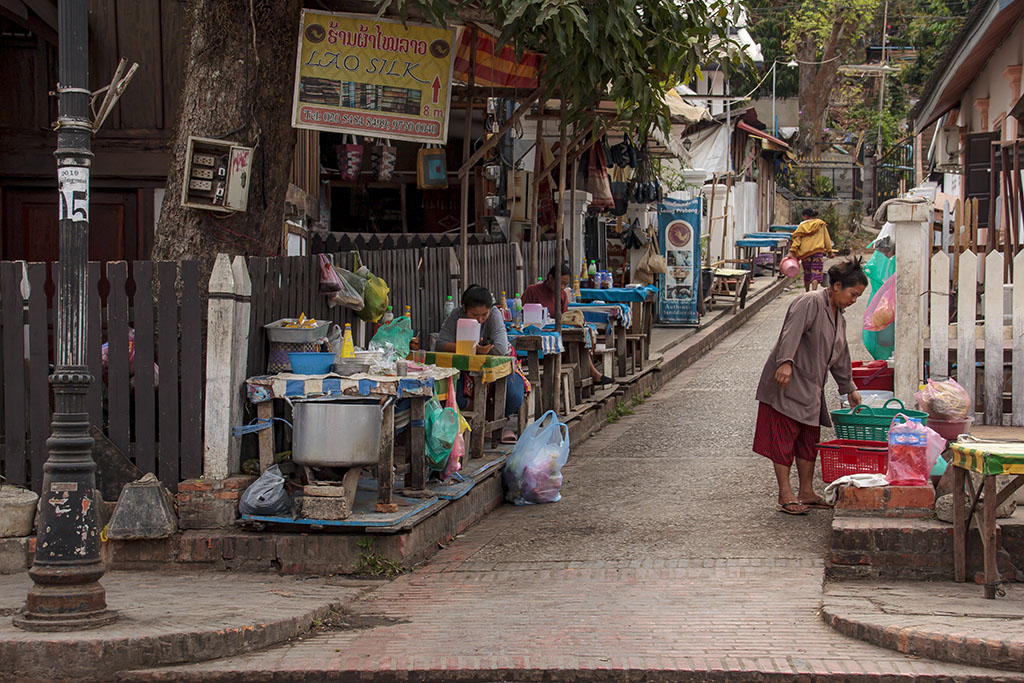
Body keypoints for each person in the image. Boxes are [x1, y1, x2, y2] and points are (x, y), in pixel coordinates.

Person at [753, 258, 867, 515]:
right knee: (783, 437)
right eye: (853, 294)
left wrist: (849, 387)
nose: (854, 300)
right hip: (789, 381)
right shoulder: (810, 302)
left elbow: (841, 354)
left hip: (812, 388)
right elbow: (790, 333)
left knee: (808, 438)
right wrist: (785, 362)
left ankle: (806, 490)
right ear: (836, 286)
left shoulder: (840, 316)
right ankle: (785, 494)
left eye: (858, 296)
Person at [437, 284, 526, 443]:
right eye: (474, 314)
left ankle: (495, 422)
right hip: (465, 369)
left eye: (484, 315)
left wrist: (469, 349)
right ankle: (479, 416)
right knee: (450, 394)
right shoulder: (456, 315)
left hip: (501, 369)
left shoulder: (494, 314)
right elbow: (440, 344)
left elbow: (499, 349)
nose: (480, 319)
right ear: (464, 308)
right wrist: (473, 349)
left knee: (512, 396)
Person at [522, 262, 613, 386]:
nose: (562, 287)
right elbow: (523, 312)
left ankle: (589, 375)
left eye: (565, 284)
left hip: (557, 330)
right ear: (550, 278)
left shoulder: (562, 295)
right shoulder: (532, 291)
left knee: (580, 340)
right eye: (561, 283)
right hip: (537, 331)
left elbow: (564, 317)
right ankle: (594, 374)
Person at [788, 208, 834, 292]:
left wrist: (792, 251)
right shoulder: (820, 224)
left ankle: (807, 292)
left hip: (806, 254)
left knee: (807, 272)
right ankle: (814, 291)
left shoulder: (802, 226)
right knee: (816, 272)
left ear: (805, 216)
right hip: (818, 252)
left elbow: (797, 241)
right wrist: (829, 251)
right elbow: (827, 239)